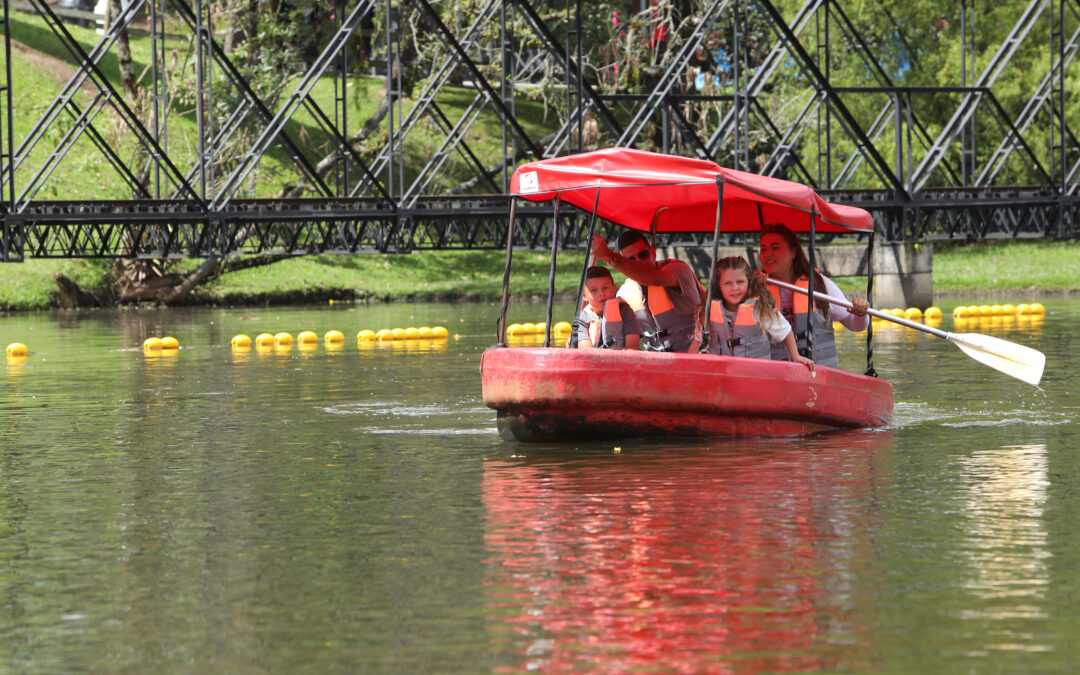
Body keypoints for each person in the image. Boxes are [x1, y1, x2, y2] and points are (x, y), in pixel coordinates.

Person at [754, 222, 870, 368]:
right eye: (763, 249)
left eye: (775, 248)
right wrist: (752, 289)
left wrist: (861, 314)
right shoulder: (752, 289)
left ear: (793, 252)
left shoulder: (819, 284)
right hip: (775, 373)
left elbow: (855, 325)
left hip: (819, 372)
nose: (767, 254)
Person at [589, 231, 703, 353]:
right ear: (626, 264)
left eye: (643, 255)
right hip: (654, 362)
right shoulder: (624, 294)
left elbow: (652, 279)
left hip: (696, 356)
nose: (639, 262)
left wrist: (608, 256)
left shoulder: (679, 270)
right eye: (631, 260)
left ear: (653, 251)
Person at [708, 256, 814, 371]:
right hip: (723, 373)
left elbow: (785, 331)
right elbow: (699, 337)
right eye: (727, 283)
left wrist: (796, 356)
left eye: (740, 282)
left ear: (749, 282)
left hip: (757, 373)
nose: (735, 288)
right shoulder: (708, 310)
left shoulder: (760, 308)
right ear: (718, 285)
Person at [573, 266, 641, 350]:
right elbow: (586, 349)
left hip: (621, 357)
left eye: (605, 288)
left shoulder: (625, 311)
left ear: (614, 289)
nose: (601, 293)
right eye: (594, 290)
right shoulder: (582, 319)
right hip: (595, 358)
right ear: (584, 296)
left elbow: (632, 346)